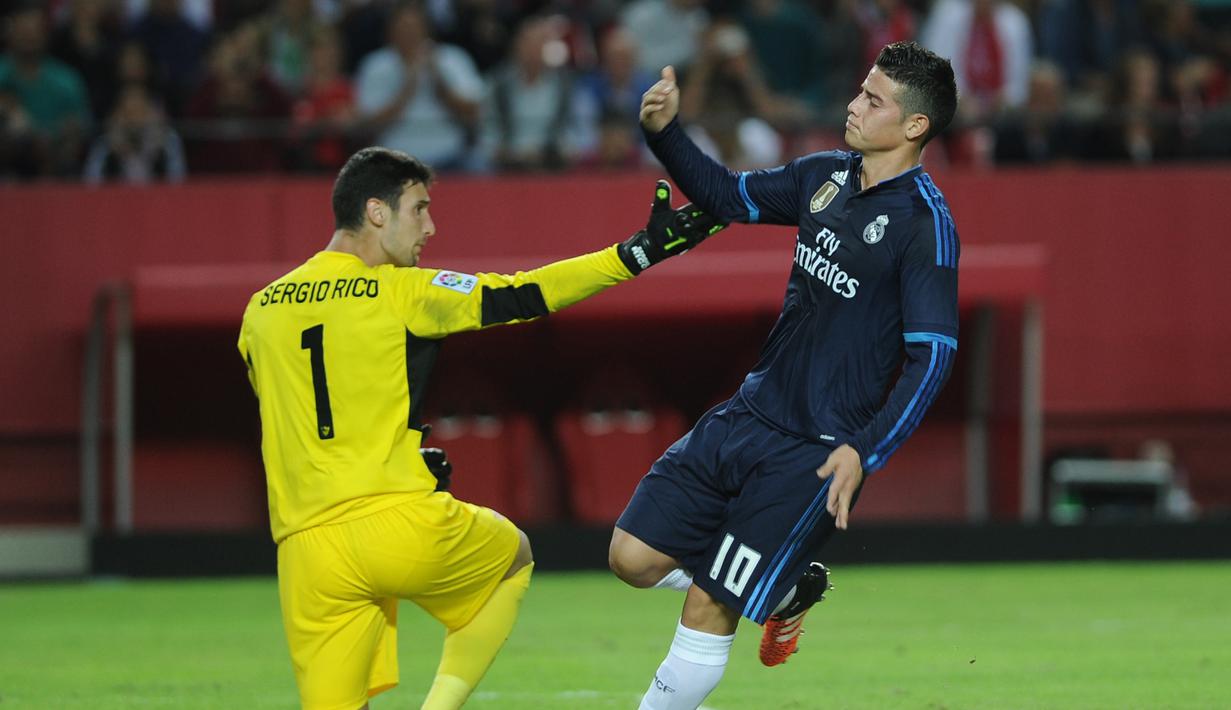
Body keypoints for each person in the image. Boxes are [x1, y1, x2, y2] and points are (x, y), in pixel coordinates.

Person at [237, 146, 723, 710]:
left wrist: (400, 452)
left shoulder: (259, 312)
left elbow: (300, 420)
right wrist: (636, 254)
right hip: (396, 522)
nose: (430, 227)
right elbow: (525, 292)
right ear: (376, 211)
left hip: (307, 551)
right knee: (512, 558)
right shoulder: (401, 290)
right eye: (419, 209)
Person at [610, 41, 960, 710]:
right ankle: (782, 588)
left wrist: (865, 449)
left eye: (873, 100)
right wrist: (665, 133)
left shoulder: (924, 227)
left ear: (915, 125)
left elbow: (933, 356)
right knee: (631, 558)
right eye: (860, 90)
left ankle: (749, 588)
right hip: (749, 412)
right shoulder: (823, 175)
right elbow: (726, 196)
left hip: (814, 451)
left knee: (709, 603)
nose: (853, 106)